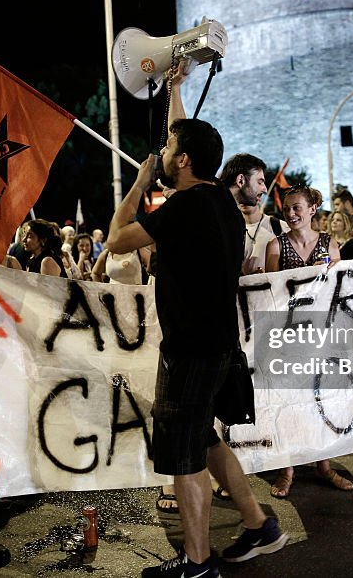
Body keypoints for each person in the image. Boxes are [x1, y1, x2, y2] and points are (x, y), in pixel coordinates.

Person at [109, 67, 288, 577]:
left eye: (169, 151)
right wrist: (177, 91)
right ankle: (258, 525)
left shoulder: (183, 207)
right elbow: (185, 136)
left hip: (190, 353)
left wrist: (142, 181)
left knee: (186, 458)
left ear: (182, 162)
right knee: (206, 441)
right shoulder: (222, 204)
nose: (163, 154)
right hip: (217, 347)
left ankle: (196, 562)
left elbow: (116, 239)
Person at [264, 185, 351, 499]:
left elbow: (339, 290)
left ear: (313, 209)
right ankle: (286, 470)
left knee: (321, 402)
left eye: (297, 207)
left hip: (321, 335)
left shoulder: (329, 243)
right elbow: (271, 295)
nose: (291, 214)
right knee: (289, 404)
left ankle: (323, 466)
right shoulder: (276, 246)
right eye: (287, 209)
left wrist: (324, 276)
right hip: (288, 338)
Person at [219, 153, 272, 274]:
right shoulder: (213, 210)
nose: (264, 189)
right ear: (241, 180)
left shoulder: (233, 215)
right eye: (260, 182)